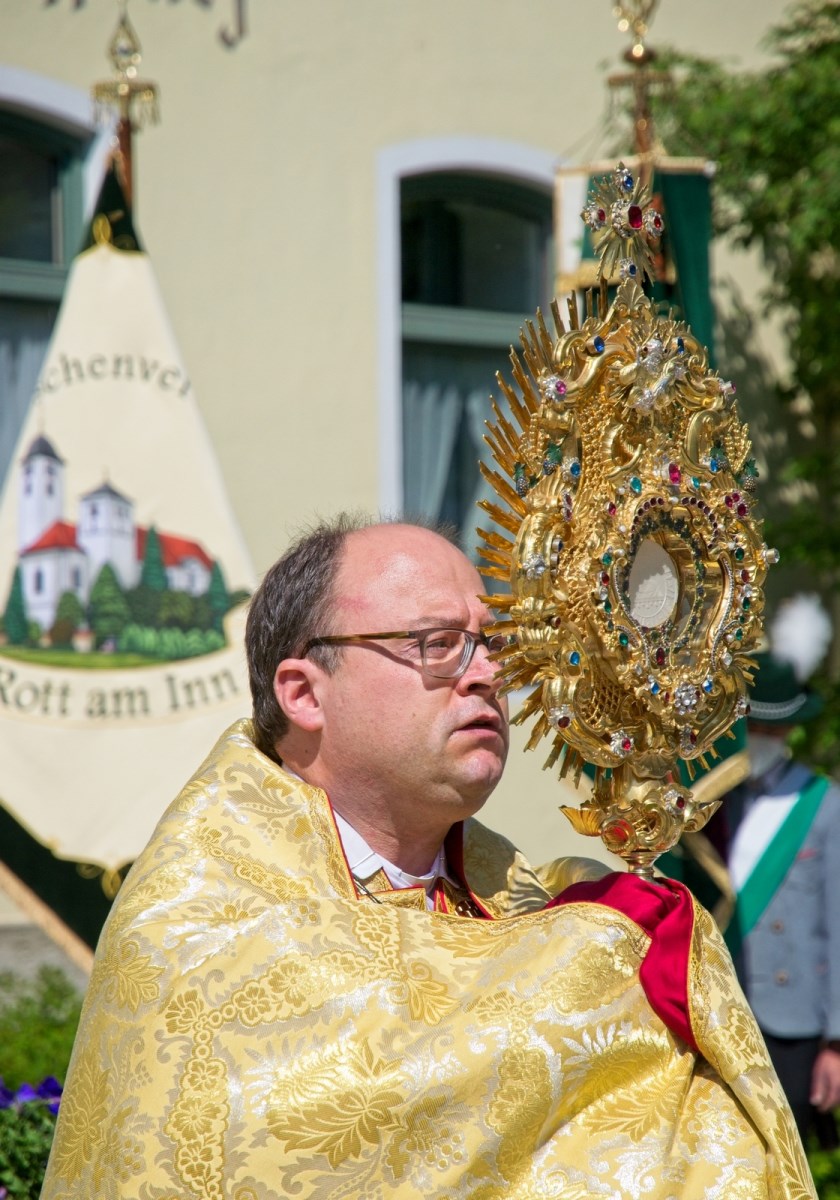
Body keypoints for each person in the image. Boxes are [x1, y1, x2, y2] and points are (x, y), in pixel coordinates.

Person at [41, 515, 813, 1199]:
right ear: (304, 694)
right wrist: (584, 975)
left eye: (493, 644)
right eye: (438, 644)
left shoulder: (562, 914)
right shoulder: (193, 923)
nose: (486, 674)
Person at [719, 622, 840, 1147]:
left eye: (774, 729)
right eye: (754, 727)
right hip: (721, 1002)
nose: (762, 740)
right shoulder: (713, 799)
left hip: (792, 1019)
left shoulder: (824, 802)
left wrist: (837, 1041)